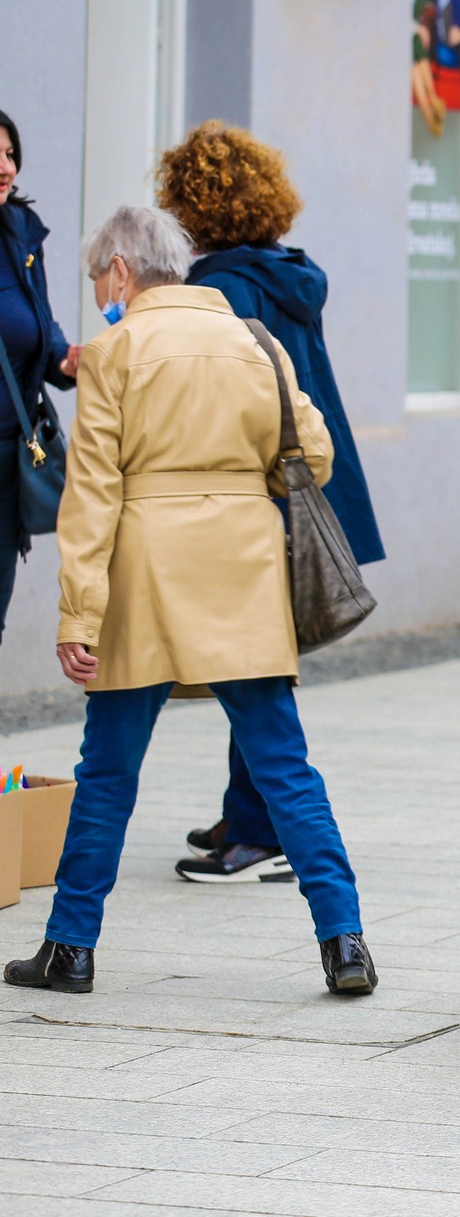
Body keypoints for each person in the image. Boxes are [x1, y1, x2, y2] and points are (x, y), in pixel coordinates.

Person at [2, 205, 375, 998]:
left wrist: (78, 613)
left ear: (124, 272)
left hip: (146, 571)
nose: (102, 291)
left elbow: (93, 493)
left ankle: (71, 948)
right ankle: (345, 941)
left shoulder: (114, 350)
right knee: (284, 765)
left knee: (106, 770)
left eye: (101, 276)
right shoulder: (255, 340)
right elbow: (318, 453)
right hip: (242, 568)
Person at [155, 121, 385, 884]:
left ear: (192, 205)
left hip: (261, 492)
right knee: (258, 656)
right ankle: (246, 809)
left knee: (251, 660)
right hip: (311, 481)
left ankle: (261, 829)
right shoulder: (287, 271)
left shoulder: (222, 287)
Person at [0, 110, 83, 640]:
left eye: (9, 155)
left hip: (8, 455)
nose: (5, 168)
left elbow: (38, 320)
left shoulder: (20, 233)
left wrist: (64, 359)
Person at [410, 0, 447, 138]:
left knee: (415, 54)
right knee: (413, 46)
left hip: (414, 43)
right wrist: (417, 28)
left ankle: (431, 104)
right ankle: (430, 105)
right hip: (407, 39)